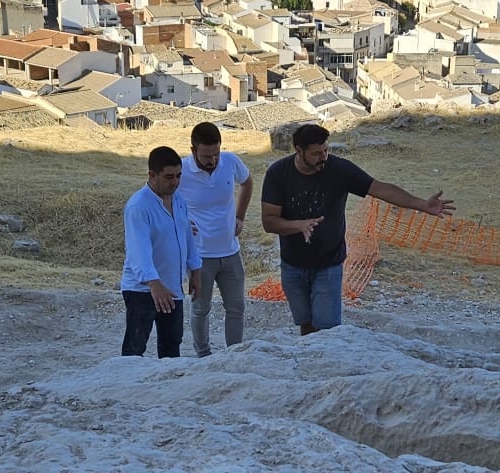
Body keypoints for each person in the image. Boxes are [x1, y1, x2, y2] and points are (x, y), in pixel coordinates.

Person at [260, 123, 454, 335]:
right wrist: (298, 225)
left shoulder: (339, 170)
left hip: (328, 263)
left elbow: (380, 189)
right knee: (305, 323)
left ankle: (328, 363)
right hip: (292, 264)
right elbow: (269, 222)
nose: (323, 157)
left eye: (326, 150)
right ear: (298, 150)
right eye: (316, 153)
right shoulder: (278, 174)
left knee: (327, 329)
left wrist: (422, 205)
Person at [175, 121, 251, 356]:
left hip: (230, 250)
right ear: (193, 150)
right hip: (199, 256)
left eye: (216, 154)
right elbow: (164, 199)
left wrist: (240, 216)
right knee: (200, 308)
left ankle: (234, 355)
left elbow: (247, 182)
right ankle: (203, 355)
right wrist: (182, 221)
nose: (213, 160)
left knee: (236, 307)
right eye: (207, 156)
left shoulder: (230, 161)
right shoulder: (182, 171)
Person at [120, 145, 200, 358]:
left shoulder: (178, 199)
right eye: (169, 177)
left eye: (178, 176)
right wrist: (154, 284)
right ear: (152, 175)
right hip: (143, 290)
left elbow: (186, 235)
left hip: (172, 288)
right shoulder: (138, 206)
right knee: (134, 350)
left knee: (172, 348)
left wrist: (195, 272)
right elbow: (138, 251)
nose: (175, 182)